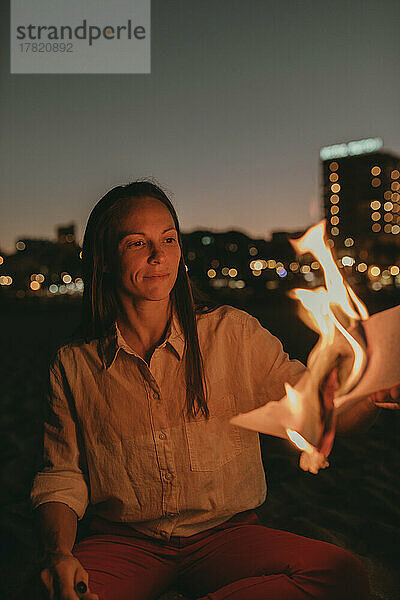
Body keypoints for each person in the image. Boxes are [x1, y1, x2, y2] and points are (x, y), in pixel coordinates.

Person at [28, 181, 398, 600]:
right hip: (124, 542)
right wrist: (57, 552)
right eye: (137, 243)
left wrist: (368, 394)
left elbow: (317, 409)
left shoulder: (233, 333)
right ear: (103, 260)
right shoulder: (74, 365)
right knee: (54, 593)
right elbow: (60, 476)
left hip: (225, 536)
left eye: (168, 238)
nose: (158, 255)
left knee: (341, 573)